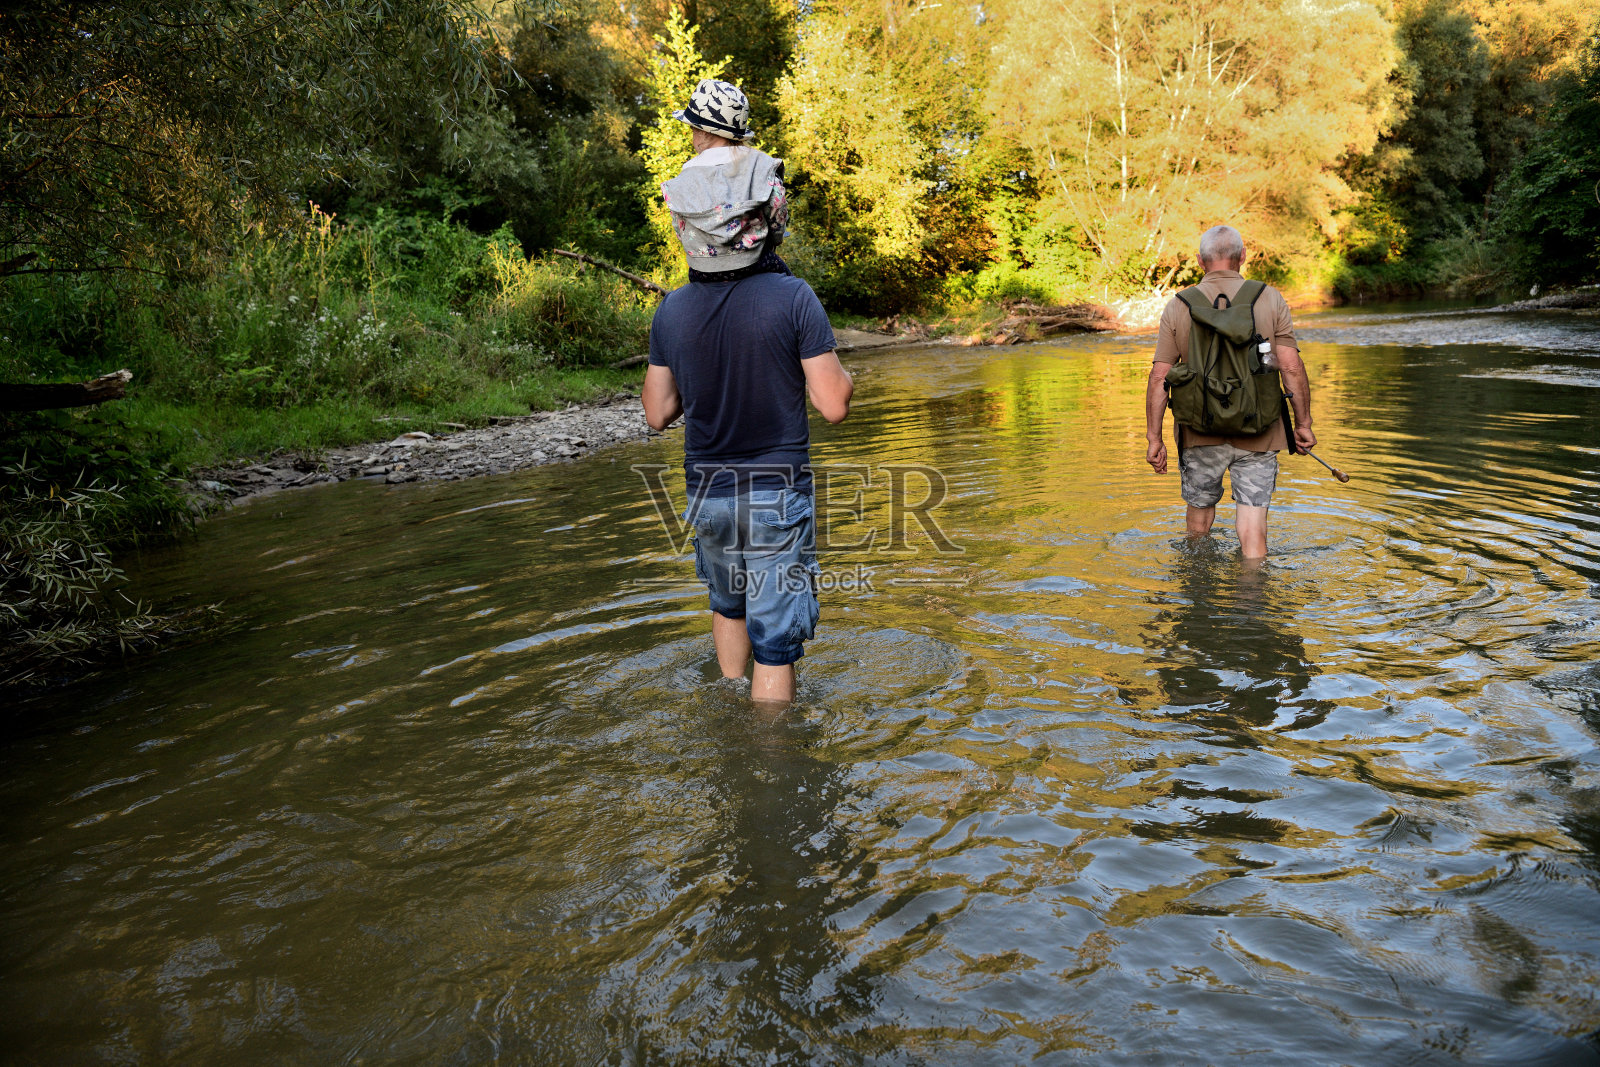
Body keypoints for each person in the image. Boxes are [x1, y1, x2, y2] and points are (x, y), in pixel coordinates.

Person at [644, 80, 854, 706]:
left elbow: (658, 413)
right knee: (776, 643)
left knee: (727, 605)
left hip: (707, 490)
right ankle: (766, 764)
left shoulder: (673, 312)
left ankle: (727, 715)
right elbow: (834, 405)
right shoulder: (793, 298)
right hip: (773, 493)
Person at [1144, 225, 1317, 558]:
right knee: (1253, 532)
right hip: (1260, 431)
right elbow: (1291, 367)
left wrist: (1154, 438)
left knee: (1198, 523)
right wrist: (1303, 424)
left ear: (1200, 260)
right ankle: (1251, 599)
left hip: (1198, 432)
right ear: (1243, 256)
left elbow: (1158, 377)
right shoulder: (1269, 298)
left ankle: (1199, 590)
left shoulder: (1179, 305)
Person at [660, 78, 790, 281]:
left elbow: (681, 229)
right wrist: (775, 240)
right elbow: (777, 215)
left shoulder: (683, 179)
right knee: (791, 283)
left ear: (703, 132)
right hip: (754, 263)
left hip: (701, 271)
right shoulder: (760, 166)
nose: (693, 136)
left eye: (693, 130)